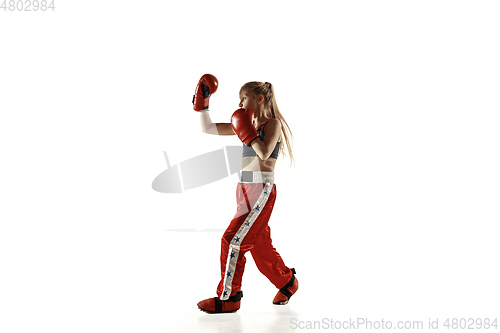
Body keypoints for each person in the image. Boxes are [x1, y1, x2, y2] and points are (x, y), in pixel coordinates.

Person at [193, 74, 298, 314]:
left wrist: (245, 130)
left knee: (233, 240)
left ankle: (229, 298)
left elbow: (263, 152)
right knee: (259, 245)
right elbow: (208, 128)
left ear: (260, 99)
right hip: (244, 189)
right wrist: (203, 103)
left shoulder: (272, 124)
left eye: (244, 98)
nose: (240, 104)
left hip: (261, 188)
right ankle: (287, 282)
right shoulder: (245, 123)